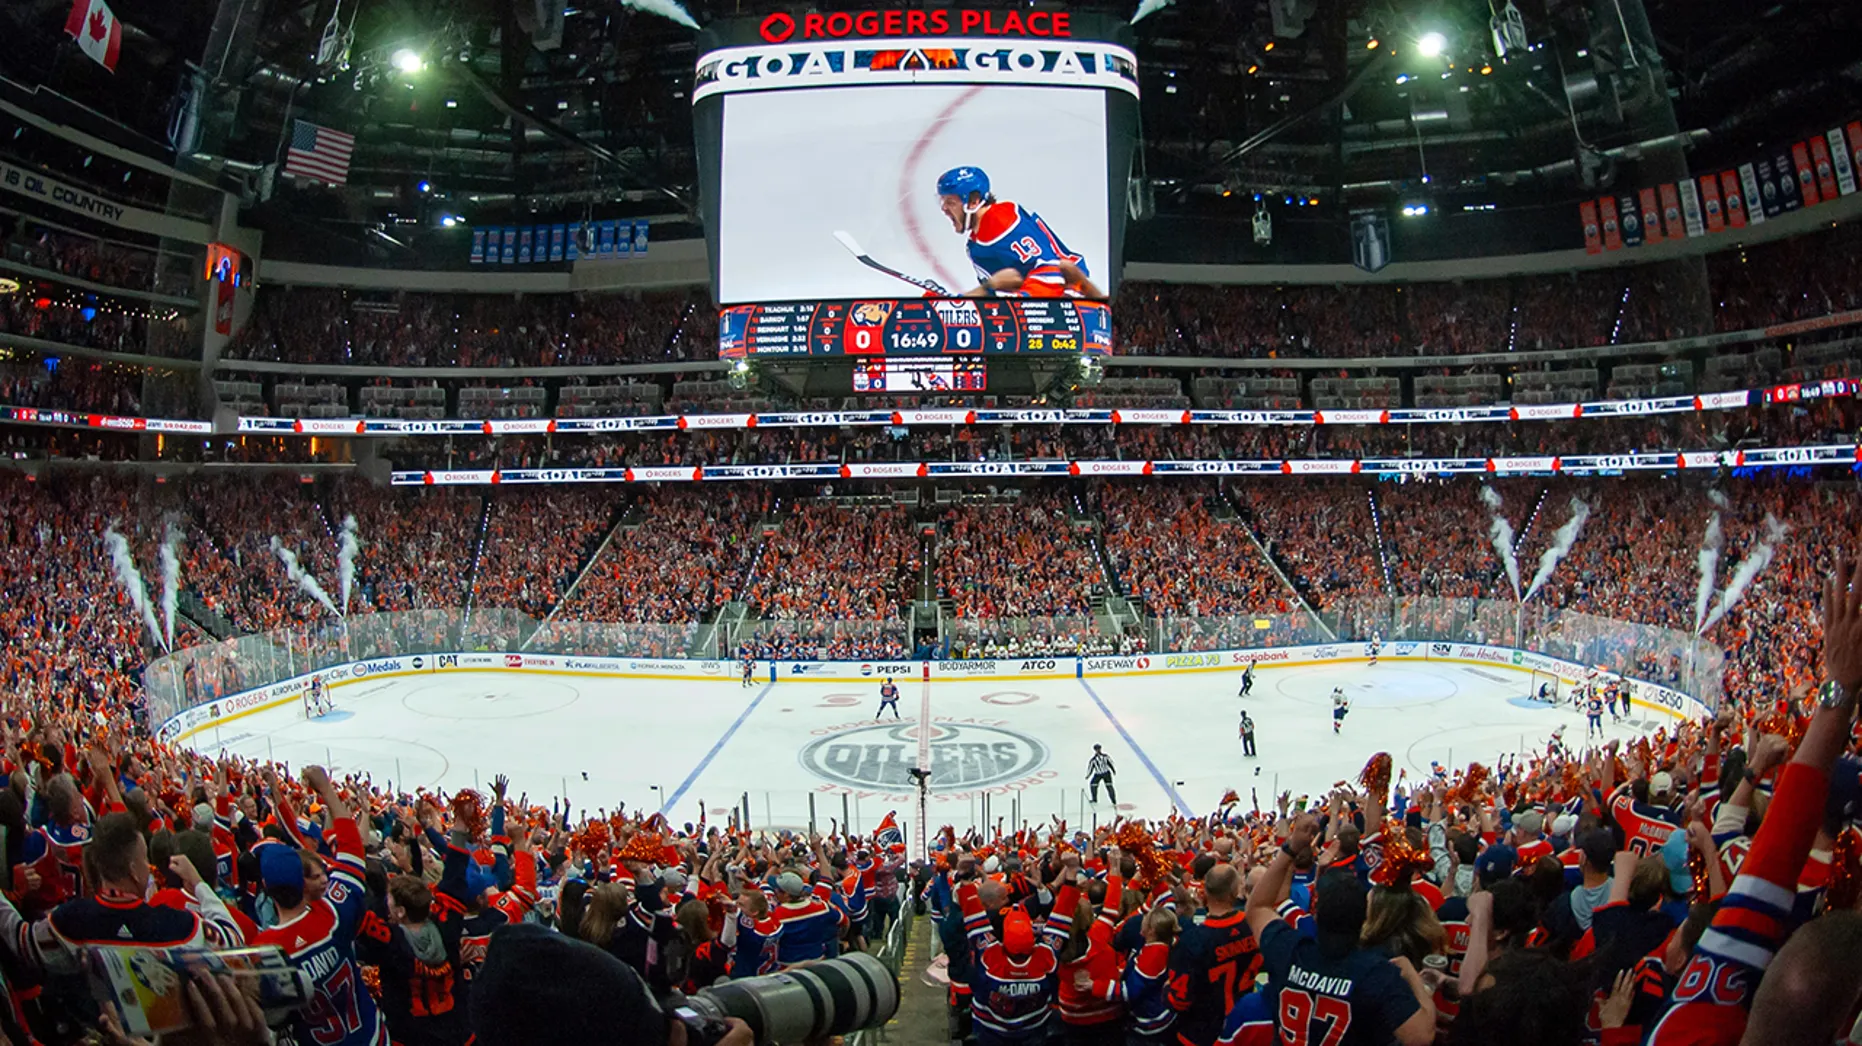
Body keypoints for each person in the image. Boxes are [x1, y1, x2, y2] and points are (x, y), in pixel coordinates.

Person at [1245, 814, 1436, 1046]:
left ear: (1315, 914)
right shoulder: (1377, 974)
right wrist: (1413, 977)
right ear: (1364, 918)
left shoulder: (1289, 948)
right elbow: (1422, 1036)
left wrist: (1291, 847)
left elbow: (1257, 907)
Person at [251, 765, 389, 1046]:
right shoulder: (332, 913)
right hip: (371, 1037)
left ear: (267, 889)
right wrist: (326, 789)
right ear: (304, 884)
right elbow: (352, 850)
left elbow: (274, 1017)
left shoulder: (265, 950)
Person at [935, 167, 1103, 299]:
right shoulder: (975, 244)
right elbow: (997, 292)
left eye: (950, 202)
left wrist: (1022, 303)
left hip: (1070, 296)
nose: (944, 209)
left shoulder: (999, 219)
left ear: (973, 202)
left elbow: (1052, 270)